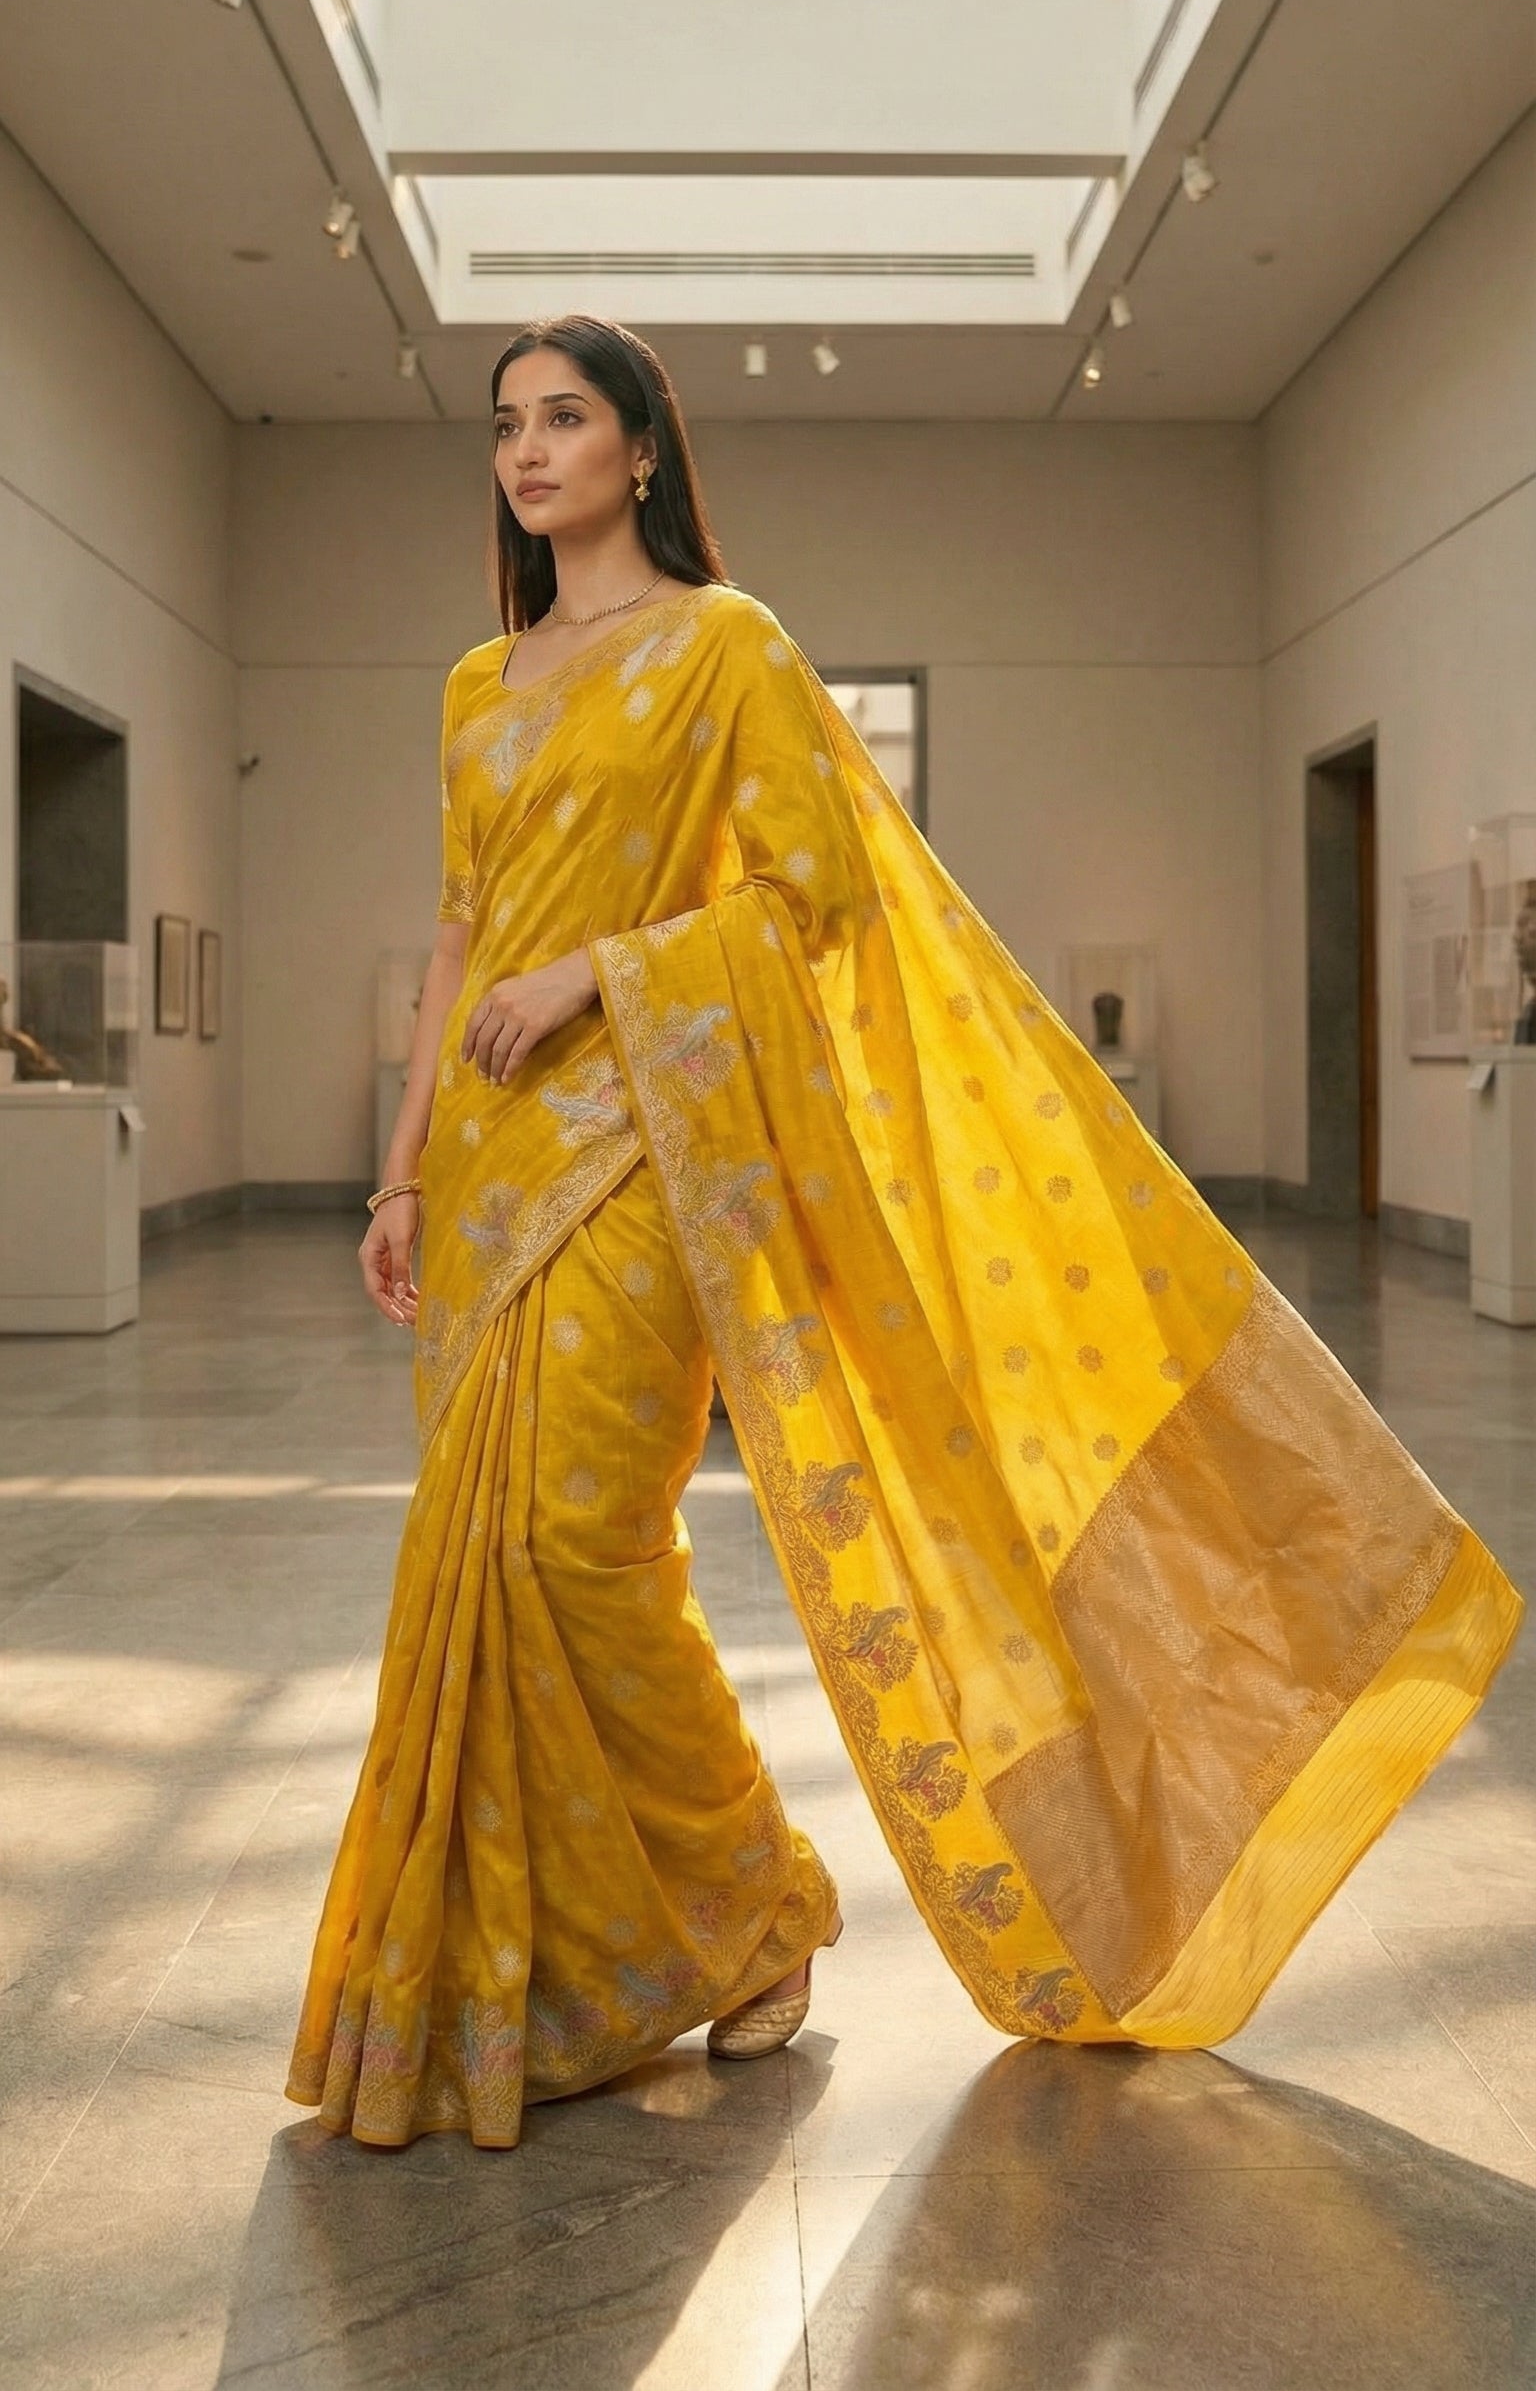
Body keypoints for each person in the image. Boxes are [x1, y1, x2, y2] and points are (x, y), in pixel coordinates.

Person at [287, 316, 1523, 2151]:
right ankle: (579, 1968)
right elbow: (458, 932)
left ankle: (762, 1890)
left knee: (575, 1550)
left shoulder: (728, 649)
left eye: (566, 419)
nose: (529, 451)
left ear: (643, 453)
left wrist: (598, 980)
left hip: (640, 1155)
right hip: (481, 1180)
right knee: (486, 1574)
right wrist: (400, 1171)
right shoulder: (478, 686)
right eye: (505, 426)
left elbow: (812, 903)